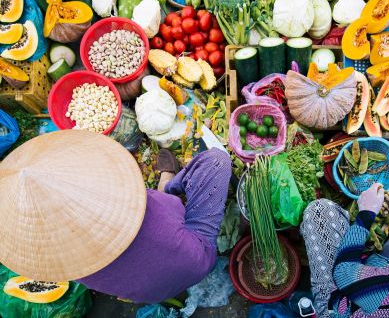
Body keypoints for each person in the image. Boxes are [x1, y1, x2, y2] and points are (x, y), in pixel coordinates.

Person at [0, 130, 232, 304]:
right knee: (217, 161)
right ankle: (167, 183)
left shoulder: (59, 259)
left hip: (149, 293)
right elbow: (171, 211)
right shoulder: (127, 202)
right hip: (197, 260)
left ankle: (167, 184)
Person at [301, 183, 389, 318]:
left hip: (343, 302)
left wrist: (366, 216)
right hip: (381, 282)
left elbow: (343, 273)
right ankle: (367, 259)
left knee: (319, 211)